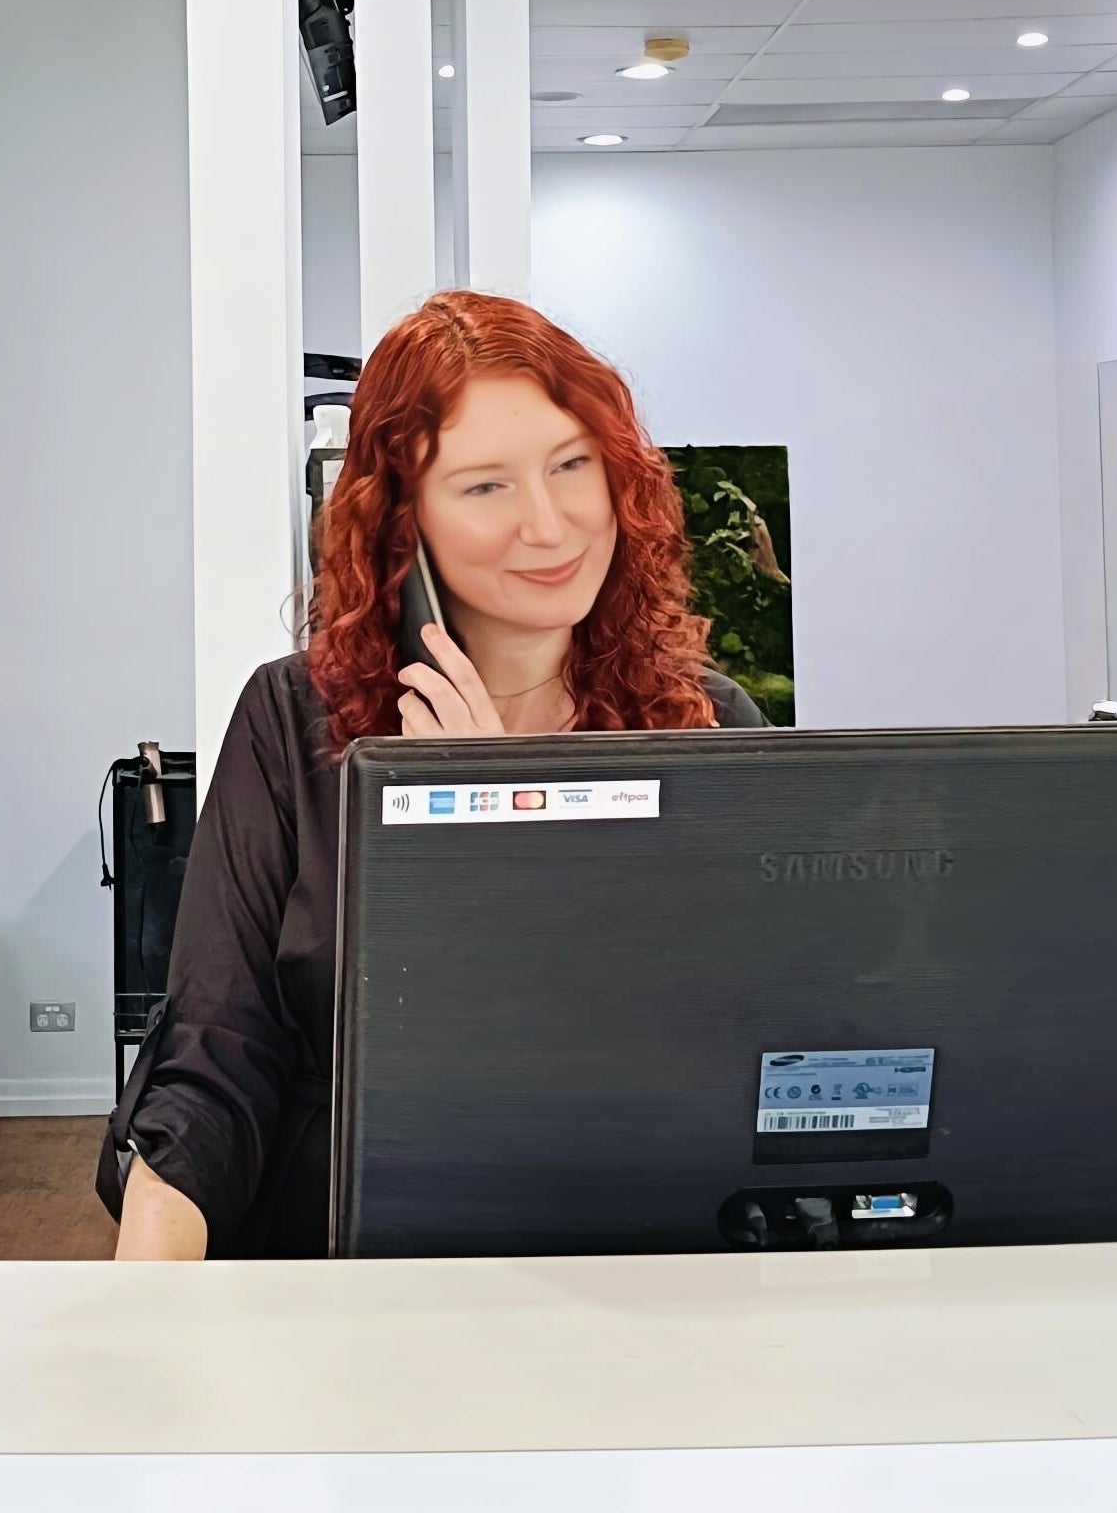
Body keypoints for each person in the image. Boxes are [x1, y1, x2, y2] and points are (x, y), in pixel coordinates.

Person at [113, 290, 763, 1261]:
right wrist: (144, 1311)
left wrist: (487, 847)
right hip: (348, 1268)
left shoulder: (707, 724)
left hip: (623, 1271)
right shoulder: (294, 722)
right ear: (402, 524)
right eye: (486, 486)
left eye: (571, 466)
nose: (549, 526)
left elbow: (713, 1062)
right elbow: (217, 1056)